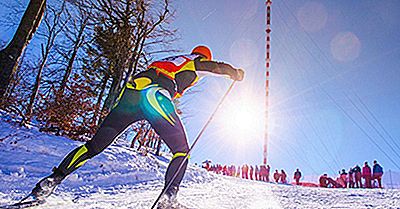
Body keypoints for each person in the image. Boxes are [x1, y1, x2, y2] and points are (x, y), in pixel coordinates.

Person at [28, 46, 244, 206]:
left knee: (94, 146)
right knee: (181, 151)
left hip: (131, 94)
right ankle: (168, 199)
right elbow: (214, 67)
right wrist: (233, 72)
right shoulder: (194, 60)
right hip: (154, 95)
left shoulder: (171, 59)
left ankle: (51, 181)